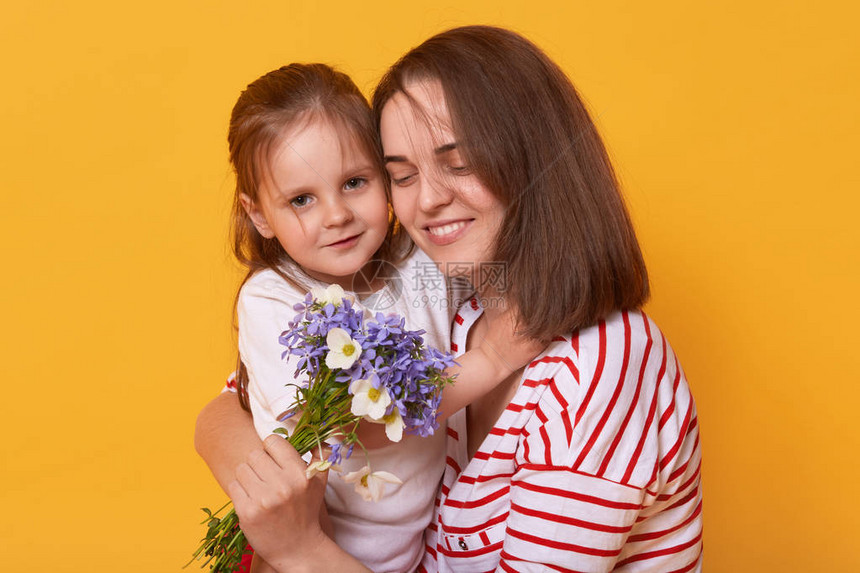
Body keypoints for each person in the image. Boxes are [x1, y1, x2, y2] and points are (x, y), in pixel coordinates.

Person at [198, 26, 703, 572]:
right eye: (404, 175)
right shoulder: (466, 309)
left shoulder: (602, 365)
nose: (430, 200)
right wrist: (269, 496)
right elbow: (233, 404)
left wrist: (299, 549)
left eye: (458, 162)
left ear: (533, 158)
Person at [212, 62, 542, 573]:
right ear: (259, 215)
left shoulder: (416, 266)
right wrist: (491, 361)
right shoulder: (273, 298)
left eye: (354, 182)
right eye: (302, 199)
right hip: (302, 555)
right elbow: (342, 425)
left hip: (410, 556)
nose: (337, 214)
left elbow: (496, 259)